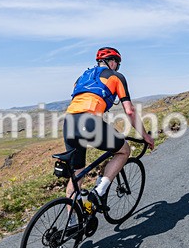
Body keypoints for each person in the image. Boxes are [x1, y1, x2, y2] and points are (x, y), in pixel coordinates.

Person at [63, 47, 154, 219]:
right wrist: (146, 136)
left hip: (69, 122)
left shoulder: (82, 77)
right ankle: (98, 192)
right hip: (89, 122)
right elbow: (129, 111)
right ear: (113, 62)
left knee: (77, 172)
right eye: (117, 65)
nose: (117, 68)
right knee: (124, 150)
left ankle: (73, 222)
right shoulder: (116, 76)